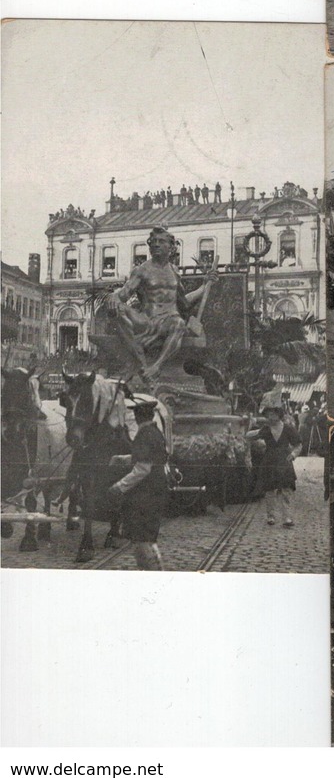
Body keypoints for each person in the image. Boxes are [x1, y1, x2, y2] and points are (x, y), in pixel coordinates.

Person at [107, 227, 217, 384]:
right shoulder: (142, 270)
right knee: (117, 308)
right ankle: (139, 361)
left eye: (161, 241)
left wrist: (203, 287)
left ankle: (155, 368)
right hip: (146, 320)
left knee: (178, 322)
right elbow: (124, 294)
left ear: (171, 247)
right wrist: (113, 296)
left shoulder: (174, 272)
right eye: (153, 242)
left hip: (169, 321)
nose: (156, 245)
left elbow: (183, 303)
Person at [108, 397, 170, 570]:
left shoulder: (144, 435)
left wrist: (119, 486)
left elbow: (143, 468)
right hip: (155, 491)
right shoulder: (154, 432)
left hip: (146, 495)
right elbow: (148, 458)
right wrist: (123, 458)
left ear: (138, 418)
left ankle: (155, 573)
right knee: (144, 538)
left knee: (143, 538)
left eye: (136, 415)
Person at [248, 401, 302, 526]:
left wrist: (293, 455)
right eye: (268, 414)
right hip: (269, 461)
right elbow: (251, 436)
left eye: (273, 414)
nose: (270, 417)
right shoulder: (266, 429)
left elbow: (298, 444)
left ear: (279, 415)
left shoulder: (288, 429)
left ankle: (287, 517)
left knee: (286, 489)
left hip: (284, 461)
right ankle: (270, 516)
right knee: (270, 489)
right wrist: (249, 426)